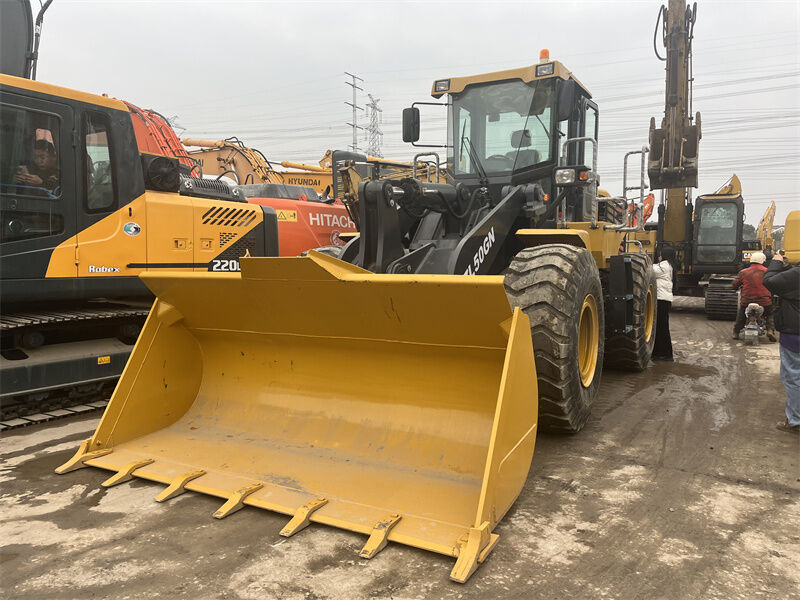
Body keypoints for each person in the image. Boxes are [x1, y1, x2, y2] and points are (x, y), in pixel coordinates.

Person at [763, 251, 800, 434]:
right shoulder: (795, 275)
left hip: (795, 335)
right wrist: (787, 268)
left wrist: (776, 263)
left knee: (793, 377)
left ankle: (795, 420)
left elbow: (769, 281)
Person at [732, 251, 775, 341]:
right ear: (763, 260)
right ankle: (770, 330)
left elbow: (735, 285)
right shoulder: (767, 271)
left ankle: (736, 332)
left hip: (747, 300)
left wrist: (734, 288)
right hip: (764, 301)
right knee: (770, 313)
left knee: (742, 314)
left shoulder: (743, 272)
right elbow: (773, 284)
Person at [652, 246, 676, 361]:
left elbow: (650, 269)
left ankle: (665, 354)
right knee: (662, 327)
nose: (659, 256)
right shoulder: (670, 266)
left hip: (661, 300)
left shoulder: (664, 266)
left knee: (661, 327)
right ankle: (661, 353)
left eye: (661, 254)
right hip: (665, 300)